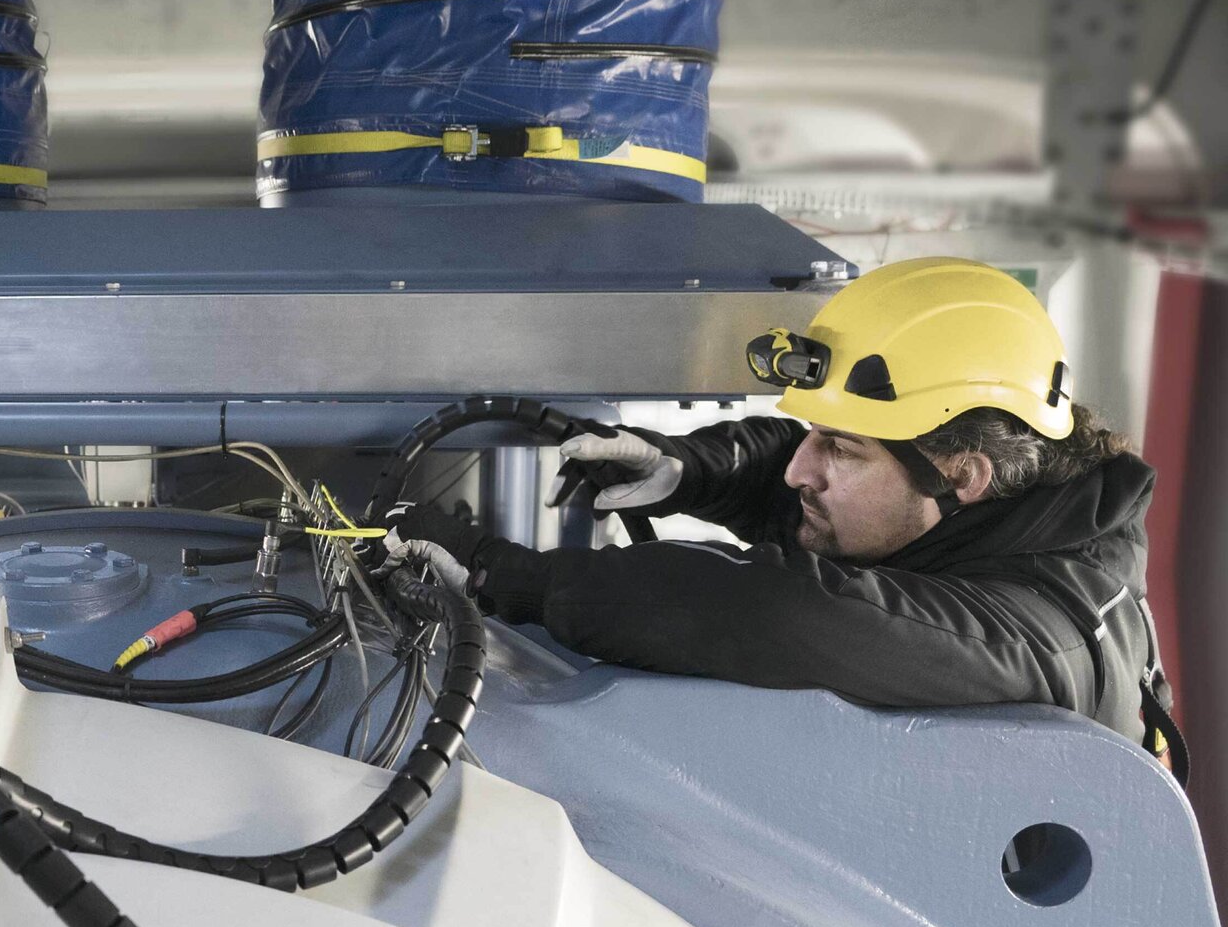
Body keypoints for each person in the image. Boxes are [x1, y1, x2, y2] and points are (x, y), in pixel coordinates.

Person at [380, 257, 1177, 758]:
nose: (802, 467)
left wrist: (506, 580)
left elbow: (771, 608)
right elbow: (843, 491)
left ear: (963, 474)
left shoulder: (1038, 637)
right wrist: (687, 470)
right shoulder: (1010, 512)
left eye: (840, 449)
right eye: (814, 436)